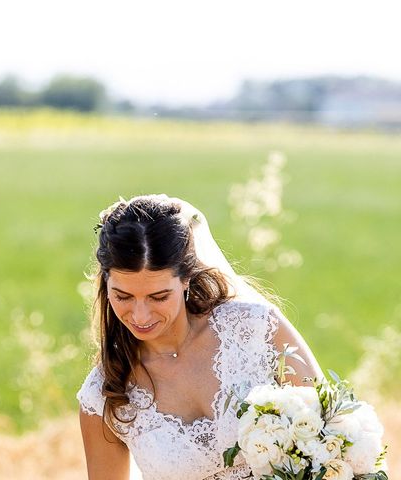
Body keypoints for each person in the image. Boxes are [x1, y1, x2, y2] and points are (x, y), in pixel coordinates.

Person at [76, 194, 323, 480]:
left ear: (186, 278)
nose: (140, 316)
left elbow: (333, 427)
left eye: (158, 296)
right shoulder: (104, 393)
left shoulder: (256, 329)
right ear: (106, 285)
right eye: (123, 296)